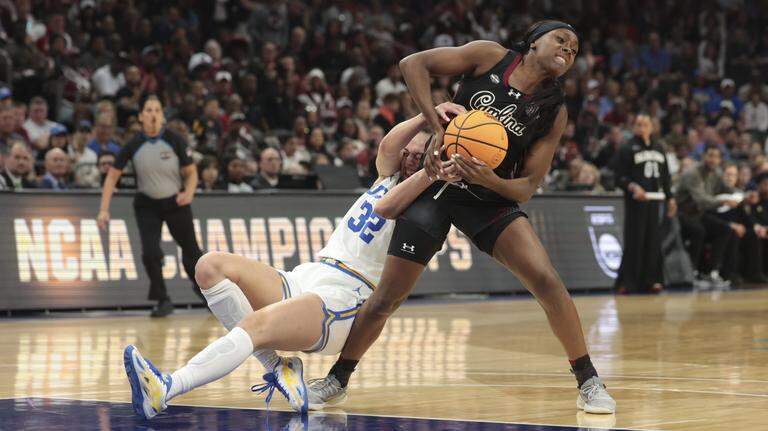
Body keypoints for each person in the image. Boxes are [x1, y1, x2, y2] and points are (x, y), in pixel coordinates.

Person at [308, 20, 616, 414]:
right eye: (561, 40)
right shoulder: (489, 56)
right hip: (435, 182)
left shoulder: (553, 110)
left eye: (574, 49)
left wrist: (491, 180)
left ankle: (588, 380)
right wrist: (436, 125)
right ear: (534, 41)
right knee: (387, 297)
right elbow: (412, 64)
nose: (568, 50)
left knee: (547, 281)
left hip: (487, 197)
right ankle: (337, 379)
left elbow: (526, 186)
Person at [121, 102, 464, 419]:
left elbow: (386, 207)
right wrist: (427, 114)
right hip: (311, 274)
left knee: (255, 327)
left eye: (418, 155)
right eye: (408, 152)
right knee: (209, 266)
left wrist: (431, 171)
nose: (408, 157)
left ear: (433, 158)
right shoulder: (388, 175)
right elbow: (388, 147)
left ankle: (166, 388)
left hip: (342, 299)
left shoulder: (427, 201)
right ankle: (280, 369)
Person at [97, 94, 203, 317]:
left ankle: (203, 289)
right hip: (147, 205)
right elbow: (112, 177)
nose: (153, 114)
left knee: (192, 252)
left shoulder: (175, 140)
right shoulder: (133, 144)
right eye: (148, 110)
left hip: (175, 202)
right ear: (140, 116)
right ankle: (162, 299)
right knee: (150, 253)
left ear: (162, 116)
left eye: (157, 110)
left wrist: (189, 193)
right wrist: (104, 210)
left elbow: (191, 172)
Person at [613, 114, 676, 294]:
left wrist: (671, 198)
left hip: (655, 201)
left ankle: (652, 280)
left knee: (653, 241)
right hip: (636, 202)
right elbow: (619, 178)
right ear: (634, 127)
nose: (642, 127)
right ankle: (627, 282)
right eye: (639, 124)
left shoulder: (659, 147)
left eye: (645, 124)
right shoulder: (627, 148)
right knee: (635, 240)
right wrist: (633, 187)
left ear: (652, 127)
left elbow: (666, 177)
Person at [676, 144, 738, 288]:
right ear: (703, 156)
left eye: (716, 157)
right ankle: (692, 273)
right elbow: (701, 200)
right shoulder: (693, 173)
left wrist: (743, 195)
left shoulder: (716, 172)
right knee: (699, 231)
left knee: (725, 229)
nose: (713, 160)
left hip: (699, 214)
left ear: (720, 159)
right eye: (710, 156)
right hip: (683, 214)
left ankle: (712, 272)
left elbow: (728, 189)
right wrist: (723, 201)